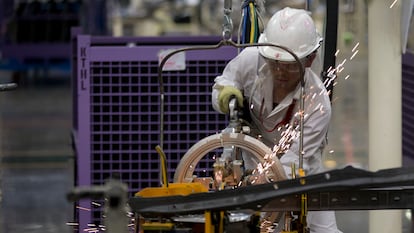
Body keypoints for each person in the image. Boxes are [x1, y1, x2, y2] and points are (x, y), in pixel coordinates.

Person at [211, 7, 342, 233]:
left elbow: (290, 161)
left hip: (299, 170)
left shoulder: (317, 104)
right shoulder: (252, 60)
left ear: (309, 60)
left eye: (289, 66)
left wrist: (258, 182)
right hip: (248, 156)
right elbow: (223, 83)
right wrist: (225, 96)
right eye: (274, 62)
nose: (280, 71)